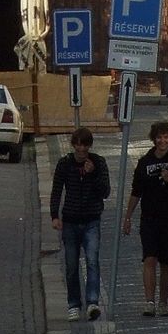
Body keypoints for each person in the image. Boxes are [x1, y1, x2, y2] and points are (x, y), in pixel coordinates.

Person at [122, 119, 168, 316]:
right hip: (149, 218)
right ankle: (149, 302)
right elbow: (136, 191)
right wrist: (128, 217)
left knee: (167, 263)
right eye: (159, 137)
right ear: (154, 139)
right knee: (149, 259)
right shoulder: (145, 162)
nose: (163, 141)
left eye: (166, 137)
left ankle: (163, 302)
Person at [49, 125, 111, 320]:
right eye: (78, 146)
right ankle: (74, 304)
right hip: (70, 220)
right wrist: (54, 216)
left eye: (85, 146)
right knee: (71, 264)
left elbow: (105, 192)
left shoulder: (99, 163)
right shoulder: (64, 164)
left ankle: (92, 302)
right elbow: (57, 190)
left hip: (92, 219)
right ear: (74, 145)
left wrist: (92, 174)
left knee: (92, 261)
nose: (82, 150)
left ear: (89, 146)